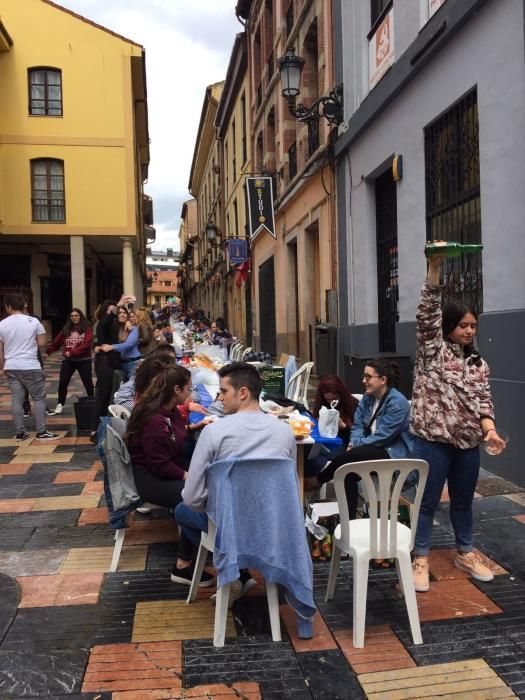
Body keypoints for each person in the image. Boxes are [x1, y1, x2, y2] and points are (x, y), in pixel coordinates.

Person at [174, 362, 316, 637]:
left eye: (223, 391)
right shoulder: (284, 432)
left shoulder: (214, 432)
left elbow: (192, 496)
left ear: (242, 393)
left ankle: (236, 572)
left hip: (230, 530)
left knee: (182, 510)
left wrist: (220, 506)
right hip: (274, 529)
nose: (219, 397)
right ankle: (247, 573)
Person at [410, 252, 506, 592]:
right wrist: (434, 268)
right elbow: (426, 316)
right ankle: (419, 556)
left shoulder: (479, 364)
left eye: (473, 326)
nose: (469, 331)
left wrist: (490, 431)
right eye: (463, 325)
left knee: (463, 501)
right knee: (427, 501)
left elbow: (484, 401)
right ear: (449, 325)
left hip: (467, 444)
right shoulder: (432, 351)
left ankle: (465, 551)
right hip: (432, 442)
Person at [305, 359, 413, 521]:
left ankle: (318, 480)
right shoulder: (368, 398)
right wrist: (354, 443)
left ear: (383, 380)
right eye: (364, 376)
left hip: (391, 452)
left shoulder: (398, 403)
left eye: (368, 377)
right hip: (367, 448)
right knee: (348, 472)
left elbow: (383, 438)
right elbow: (357, 426)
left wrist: (355, 446)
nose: (363, 381)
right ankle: (349, 521)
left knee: (351, 458)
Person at [0, 293, 57, 440]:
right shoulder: (34, 322)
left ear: (8, 307)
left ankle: (20, 432)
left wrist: (3, 367)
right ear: (24, 306)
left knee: (17, 400)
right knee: (38, 398)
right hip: (30, 364)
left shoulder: (2, 324)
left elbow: (0, 350)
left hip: (11, 365)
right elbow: (42, 344)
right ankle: (41, 431)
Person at [305, 375, 359, 477]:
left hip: (343, 444)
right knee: (303, 452)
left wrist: (344, 427)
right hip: (325, 442)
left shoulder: (352, 405)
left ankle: (309, 482)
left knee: (313, 461)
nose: (331, 402)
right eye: (328, 400)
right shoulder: (323, 405)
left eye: (334, 398)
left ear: (341, 394)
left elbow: (358, 435)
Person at [46, 308, 94, 414]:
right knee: (63, 382)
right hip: (69, 361)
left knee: (88, 383)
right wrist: (48, 352)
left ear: (81, 316)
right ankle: (60, 404)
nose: (74, 318)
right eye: (72, 316)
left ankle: (92, 401)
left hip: (84, 360)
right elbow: (57, 342)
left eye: (76, 315)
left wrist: (72, 352)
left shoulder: (87, 328)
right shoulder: (66, 329)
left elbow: (86, 344)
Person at [98, 305, 140, 381]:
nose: (122, 314)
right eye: (119, 313)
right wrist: (97, 346)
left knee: (131, 388)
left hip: (133, 363)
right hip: (120, 364)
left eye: (124, 313)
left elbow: (129, 344)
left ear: (127, 315)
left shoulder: (133, 329)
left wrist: (112, 347)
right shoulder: (116, 329)